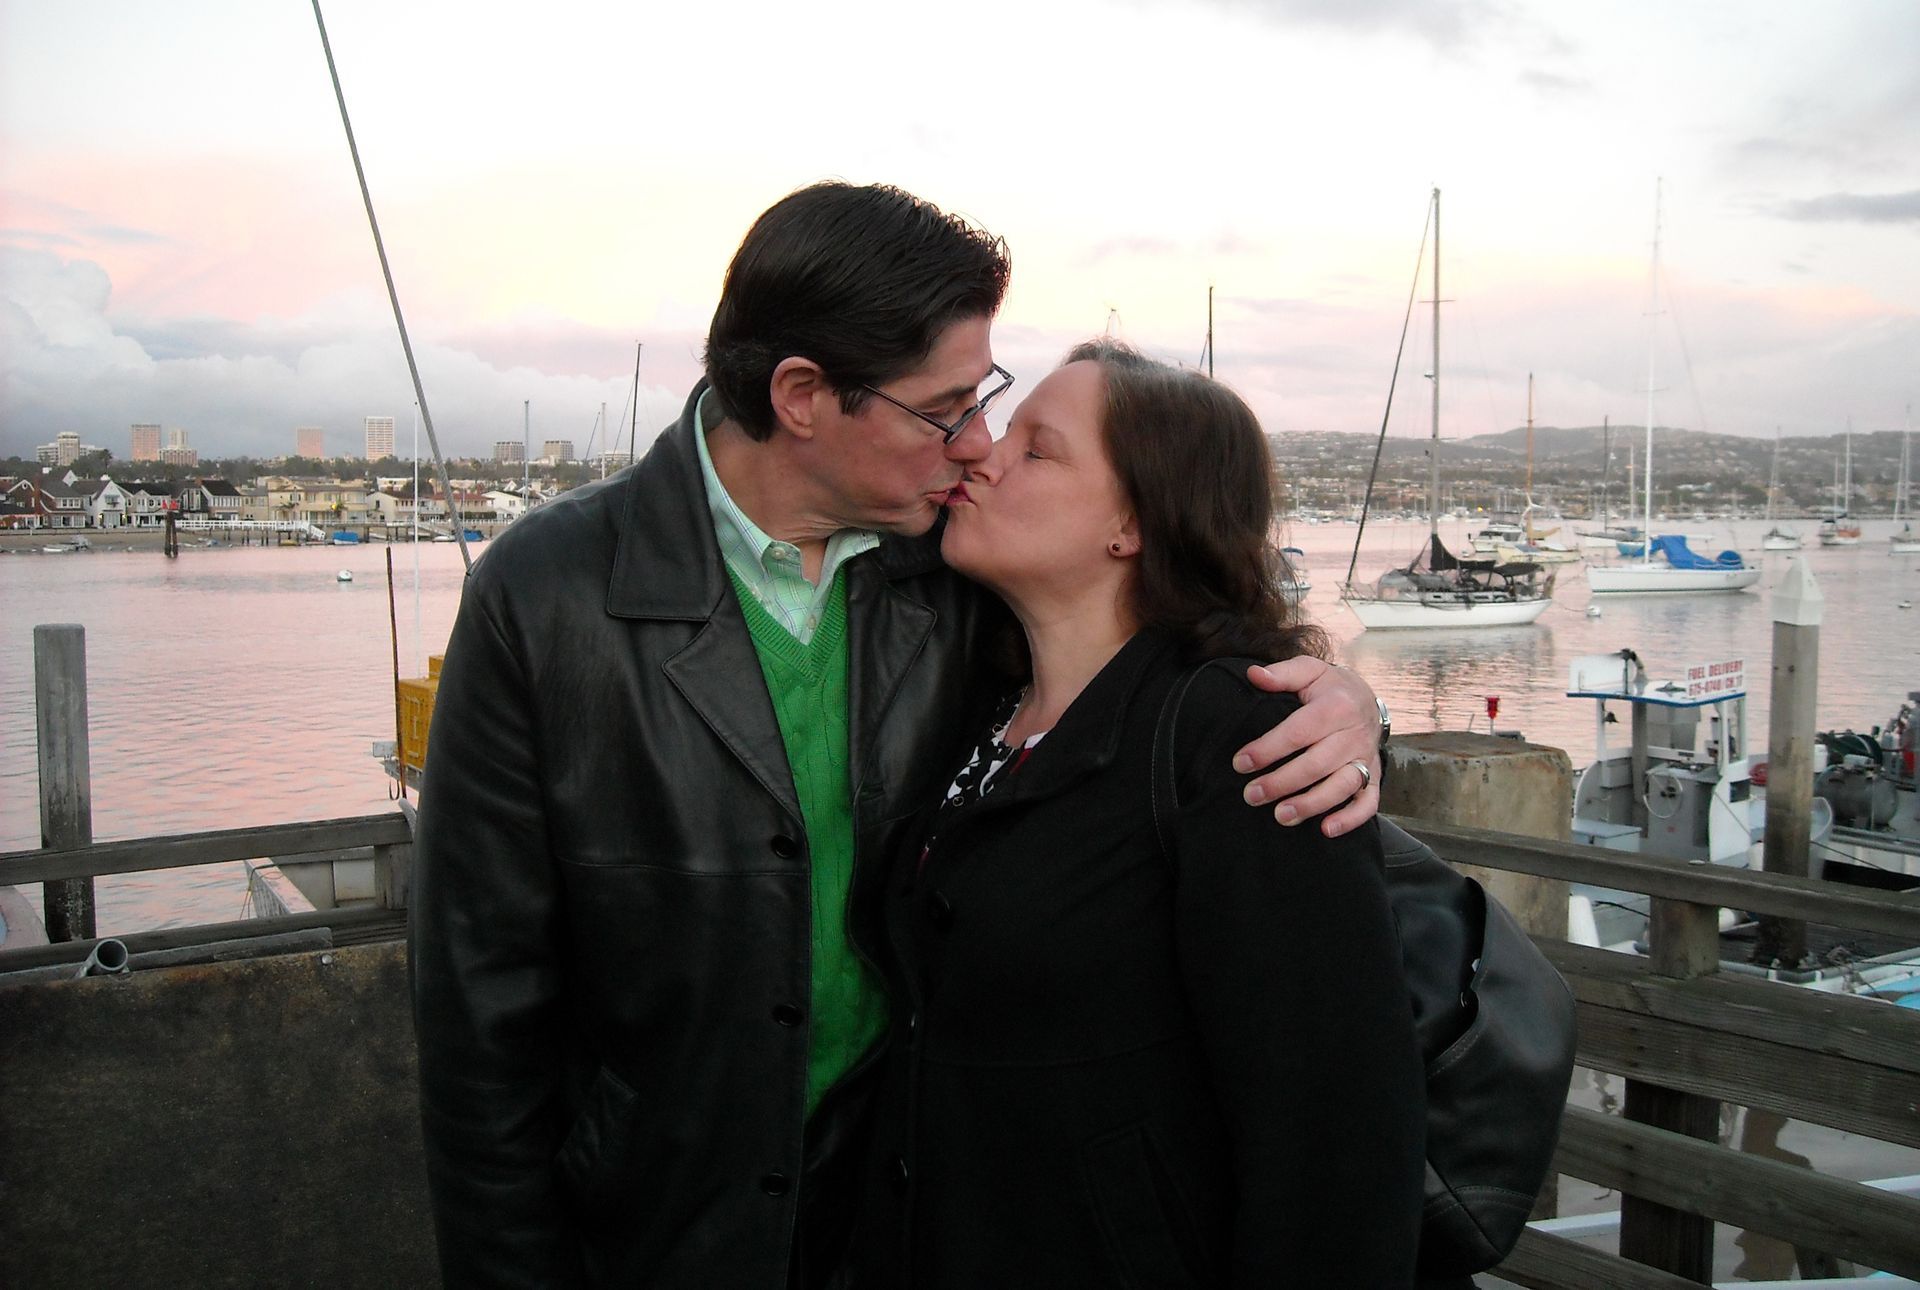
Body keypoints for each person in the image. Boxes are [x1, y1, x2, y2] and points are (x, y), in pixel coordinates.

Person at [408, 183, 1392, 1289]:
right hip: (658, 1226)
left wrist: (1348, 711)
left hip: (903, 1219)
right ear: (802, 396)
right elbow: (480, 1007)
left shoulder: (956, 569)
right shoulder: (544, 596)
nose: (976, 446)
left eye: (989, 403)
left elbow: (1163, 699)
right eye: (944, 410)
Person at [849, 342, 1426, 1288]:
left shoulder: (1240, 741)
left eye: (1037, 449)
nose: (979, 452)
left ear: (1133, 524)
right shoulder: (972, 706)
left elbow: (1335, 1128)